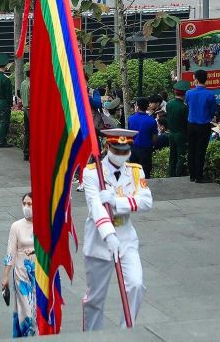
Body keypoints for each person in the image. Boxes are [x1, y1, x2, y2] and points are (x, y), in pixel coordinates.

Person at [82, 129, 152, 331]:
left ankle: (125, 332)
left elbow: (146, 201)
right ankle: (92, 335)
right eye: (117, 151)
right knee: (95, 299)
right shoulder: (92, 172)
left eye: (125, 151)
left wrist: (116, 202)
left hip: (126, 237)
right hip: (99, 239)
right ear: (107, 147)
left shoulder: (136, 171)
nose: (121, 155)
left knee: (136, 285)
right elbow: (95, 207)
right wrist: (109, 235)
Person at [1, 193, 36, 338]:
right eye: (24, 204)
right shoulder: (16, 226)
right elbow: (11, 252)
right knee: (26, 310)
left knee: (37, 309)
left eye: (30, 204)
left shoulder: (43, 224)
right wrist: (5, 275)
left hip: (38, 272)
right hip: (21, 273)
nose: (26, 207)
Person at [186, 69, 217, 183]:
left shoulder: (189, 93)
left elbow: (188, 105)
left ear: (196, 79)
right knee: (200, 151)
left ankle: (192, 175)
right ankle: (199, 176)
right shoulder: (210, 95)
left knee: (191, 149)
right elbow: (213, 111)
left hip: (191, 125)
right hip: (204, 125)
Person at [127, 97, 157, 176]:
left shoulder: (131, 118)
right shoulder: (152, 120)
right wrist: (152, 145)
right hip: (146, 149)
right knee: (145, 172)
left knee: (134, 172)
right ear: (147, 107)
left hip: (134, 148)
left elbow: (129, 134)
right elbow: (155, 137)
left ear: (137, 106)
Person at [167, 80, 189, 177]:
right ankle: (178, 175)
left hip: (171, 133)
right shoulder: (184, 107)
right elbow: (186, 122)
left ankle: (171, 174)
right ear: (185, 93)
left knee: (172, 156)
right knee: (181, 156)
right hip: (181, 134)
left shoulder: (169, 104)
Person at [20, 69, 31, 161]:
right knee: (33, 132)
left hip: (25, 108)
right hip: (30, 109)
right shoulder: (31, 84)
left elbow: (21, 94)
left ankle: (26, 153)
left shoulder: (23, 83)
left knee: (27, 132)